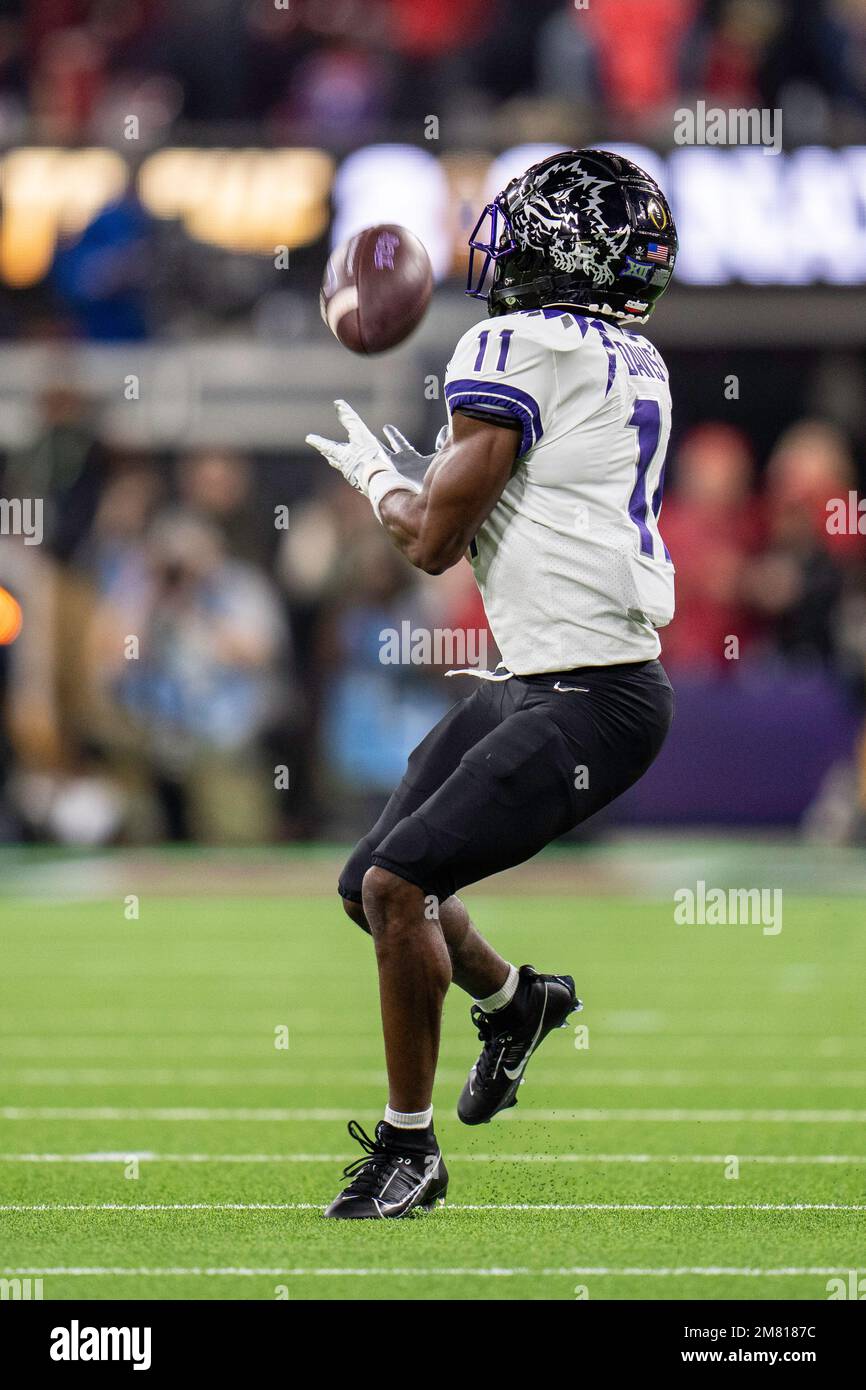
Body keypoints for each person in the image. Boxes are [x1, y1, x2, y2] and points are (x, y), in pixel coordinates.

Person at [307, 149, 678, 1218]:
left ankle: (407, 1150)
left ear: (559, 246)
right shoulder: (627, 356)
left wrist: (378, 475)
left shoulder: (514, 343)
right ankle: (517, 1003)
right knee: (369, 886)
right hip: (545, 680)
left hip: (588, 695)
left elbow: (430, 544)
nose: (498, 240)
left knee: (395, 891)